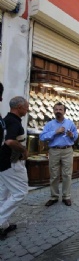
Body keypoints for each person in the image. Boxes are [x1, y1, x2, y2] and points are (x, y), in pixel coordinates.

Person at [0, 96, 29, 240]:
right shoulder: (13, 122)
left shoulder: (6, 120)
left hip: (3, 162)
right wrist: (23, 150)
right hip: (11, 163)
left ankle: (4, 224)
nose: (27, 109)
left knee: (2, 195)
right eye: (26, 106)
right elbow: (10, 141)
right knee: (20, 192)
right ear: (19, 107)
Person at [40, 102, 78, 207]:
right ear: (53, 111)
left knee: (67, 174)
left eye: (60, 110)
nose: (58, 111)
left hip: (67, 150)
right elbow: (42, 137)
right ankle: (54, 196)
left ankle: (66, 196)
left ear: (64, 111)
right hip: (54, 151)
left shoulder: (70, 123)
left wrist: (72, 135)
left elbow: (76, 136)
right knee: (54, 174)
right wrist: (55, 132)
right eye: (56, 109)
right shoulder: (50, 124)